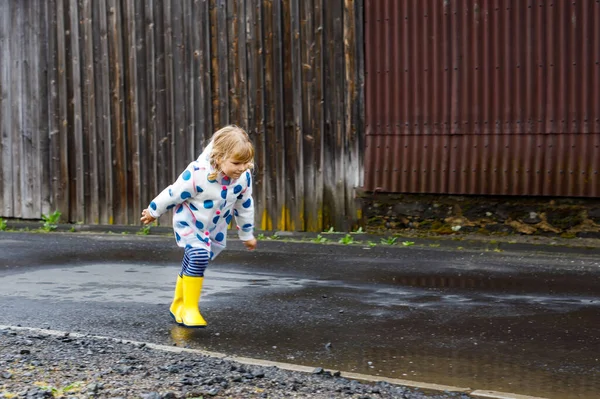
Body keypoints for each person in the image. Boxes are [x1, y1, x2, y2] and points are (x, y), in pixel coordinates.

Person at [140, 125, 257, 328]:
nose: (242, 167)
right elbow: (173, 193)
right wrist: (153, 211)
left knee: (193, 258)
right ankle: (190, 309)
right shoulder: (197, 174)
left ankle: (178, 305)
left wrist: (246, 233)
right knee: (199, 256)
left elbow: (244, 206)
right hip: (190, 222)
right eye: (237, 162)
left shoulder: (243, 178)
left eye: (246, 162)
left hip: (213, 227)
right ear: (219, 158)